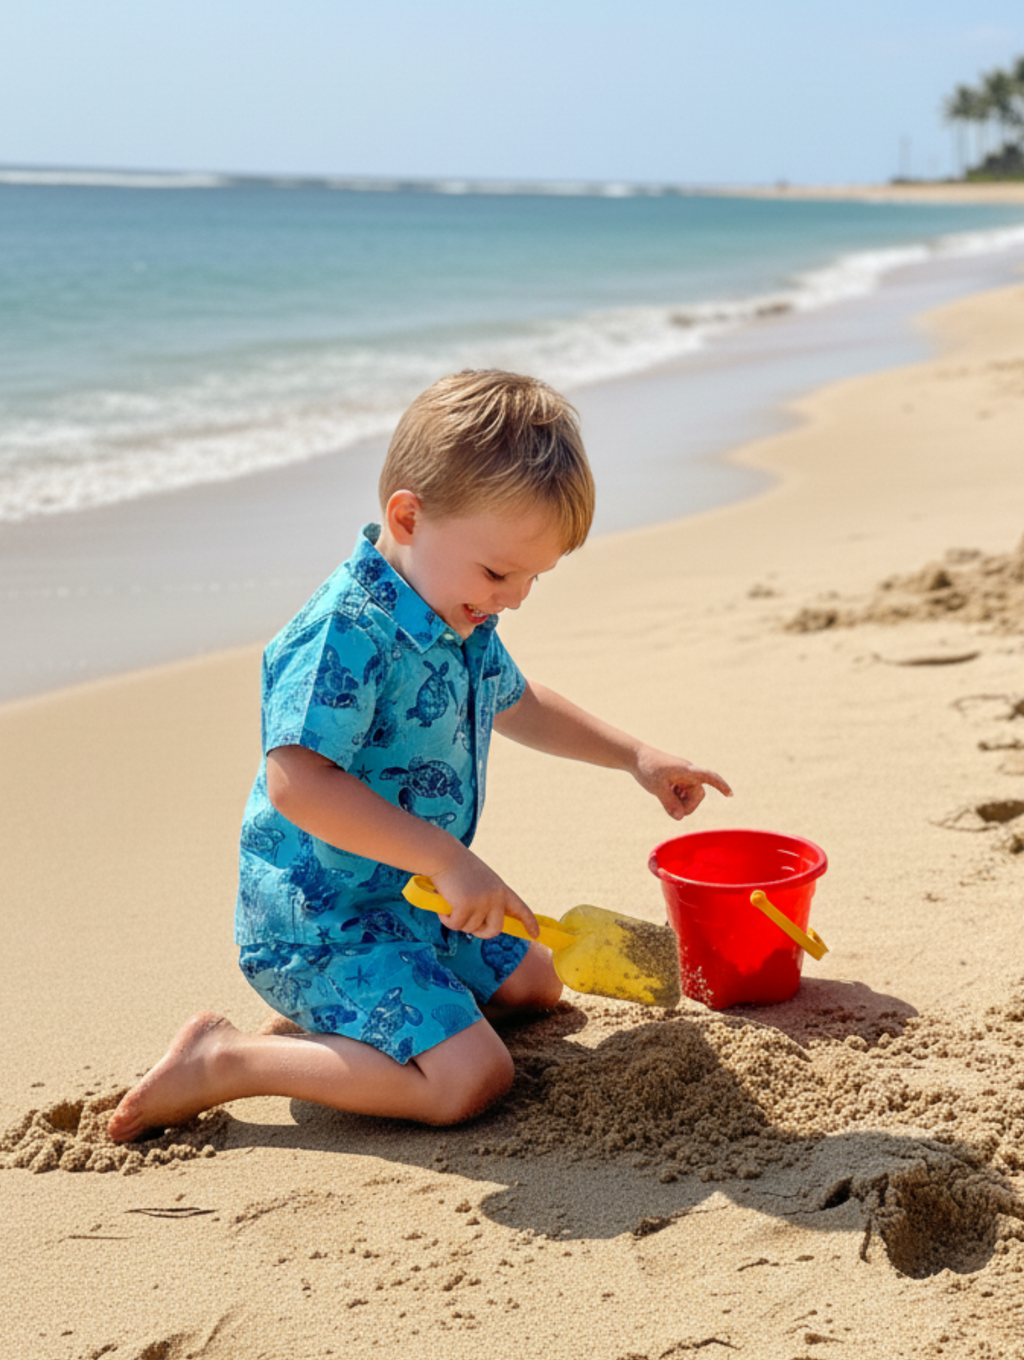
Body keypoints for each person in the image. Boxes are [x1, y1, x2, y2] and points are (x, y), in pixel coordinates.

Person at [108, 370, 731, 1141]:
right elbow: (297, 782)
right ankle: (228, 1060)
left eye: (536, 577)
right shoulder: (346, 631)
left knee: (536, 977)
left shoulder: (456, 610)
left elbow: (517, 701)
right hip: (319, 920)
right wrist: (445, 857)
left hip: (406, 901)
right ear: (408, 516)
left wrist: (636, 754)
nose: (514, 598)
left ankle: (345, 1033)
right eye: (500, 572)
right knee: (471, 1077)